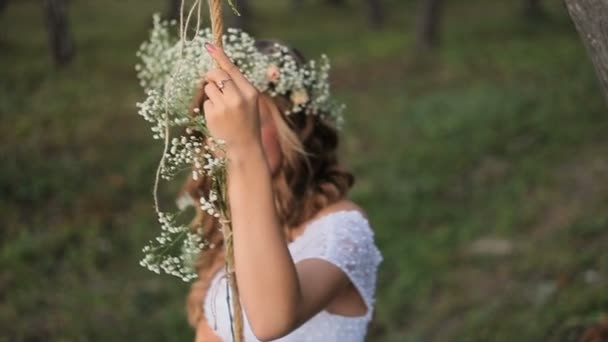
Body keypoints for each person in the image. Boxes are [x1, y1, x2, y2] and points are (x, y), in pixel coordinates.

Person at [182, 38, 383, 342]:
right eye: (220, 126)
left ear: (295, 125)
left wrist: (244, 150)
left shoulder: (342, 230)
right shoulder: (232, 230)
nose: (225, 139)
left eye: (250, 123)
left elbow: (271, 320)